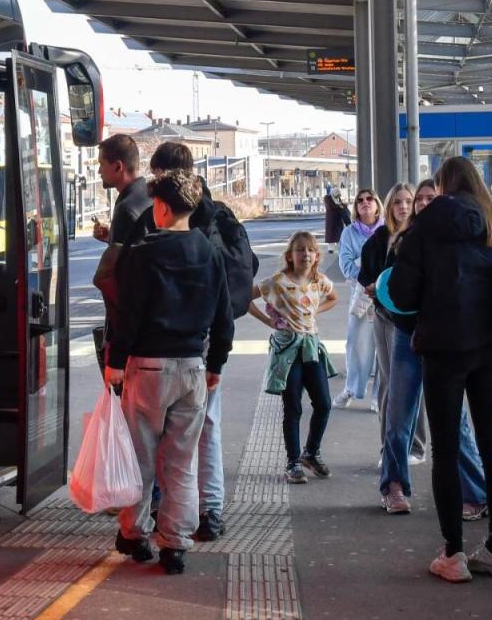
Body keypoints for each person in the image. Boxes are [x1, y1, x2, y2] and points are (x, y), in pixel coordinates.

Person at [387, 156, 492, 583]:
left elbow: (404, 292)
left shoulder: (427, 223)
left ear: (442, 185)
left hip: (445, 347)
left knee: (444, 449)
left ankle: (453, 554)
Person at [107, 169, 234, 575]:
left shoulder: (143, 254)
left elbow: (127, 316)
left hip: (147, 368)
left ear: (160, 208)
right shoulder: (210, 253)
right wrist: (215, 364)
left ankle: (135, 535)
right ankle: (175, 545)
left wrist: (114, 362)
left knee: (141, 459)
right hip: (193, 368)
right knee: (180, 463)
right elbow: (224, 317)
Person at [136, 140, 258, 542]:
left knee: (158, 437)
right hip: (208, 338)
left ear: (167, 176)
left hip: (171, 343)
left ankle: (159, 516)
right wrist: (219, 355)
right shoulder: (222, 215)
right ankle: (210, 510)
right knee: (205, 428)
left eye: (156, 175)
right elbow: (248, 267)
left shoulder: (165, 217)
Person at [376, 180, 487, 518]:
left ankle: (476, 492)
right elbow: (390, 286)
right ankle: (394, 486)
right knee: (398, 415)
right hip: (408, 335)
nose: (422, 204)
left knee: (456, 420)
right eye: (418, 199)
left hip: (443, 337)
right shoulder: (403, 239)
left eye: (429, 198)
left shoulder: (456, 237)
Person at [251, 231, 340, 483]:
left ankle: (311, 452)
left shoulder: (319, 280)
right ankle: (293, 463)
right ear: (290, 255)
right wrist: (269, 320)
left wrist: (315, 311)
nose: (306, 254)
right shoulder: (277, 281)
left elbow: (334, 298)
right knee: (293, 407)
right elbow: (246, 298)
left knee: (323, 403)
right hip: (288, 350)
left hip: (311, 347)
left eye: (310, 250)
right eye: (300, 250)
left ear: (316, 256)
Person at [359, 182, 425, 457]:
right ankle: (389, 447)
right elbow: (365, 274)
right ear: (389, 205)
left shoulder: (420, 235)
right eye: (397, 202)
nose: (403, 207)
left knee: (413, 381)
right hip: (385, 317)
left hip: (415, 320)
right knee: (388, 381)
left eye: (408, 202)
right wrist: (372, 286)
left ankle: (416, 446)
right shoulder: (379, 238)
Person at [91, 134, 153, 367]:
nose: (99, 172)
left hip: (133, 332)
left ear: (118, 166)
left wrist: (117, 344)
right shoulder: (148, 196)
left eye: (101, 164)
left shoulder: (127, 209)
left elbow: (120, 279)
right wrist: (111, 239)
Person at [332, 189, 383, 410]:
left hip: (386, 294)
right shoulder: (349, 233)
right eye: (360, 200)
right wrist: (367, 276)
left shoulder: (387, 229)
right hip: (362, 293)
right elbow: (346, 265)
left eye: (369, 198)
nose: (365, 203)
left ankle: (379, 395)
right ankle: (351, 388)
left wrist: (366, 265)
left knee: (384, 345)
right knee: (355, 343)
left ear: (377, 204)